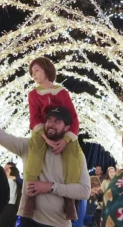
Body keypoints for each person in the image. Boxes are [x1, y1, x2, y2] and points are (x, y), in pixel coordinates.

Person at [0, 99, 90, 227]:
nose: (51, 124)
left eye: (57, 121)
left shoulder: (76, 155)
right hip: (29, 220)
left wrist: (51, 186)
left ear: (67, 127)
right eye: (49, 120)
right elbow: (3, 137)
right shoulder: (30, 146)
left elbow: (85, 191)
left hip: (59, 223)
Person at [24, 57, 83, 220]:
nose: (33, 74)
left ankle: (69, 201)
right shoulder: (33, 94)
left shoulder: (62, 92)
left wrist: (66, 139)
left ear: (46, 70)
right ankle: (30, 196)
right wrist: (45, 137)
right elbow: (34, 118)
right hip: (43, 131)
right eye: (31, 71)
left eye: (36, 70)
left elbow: (73, 118)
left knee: (73, 156)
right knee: (34, 153)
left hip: (63, 131)